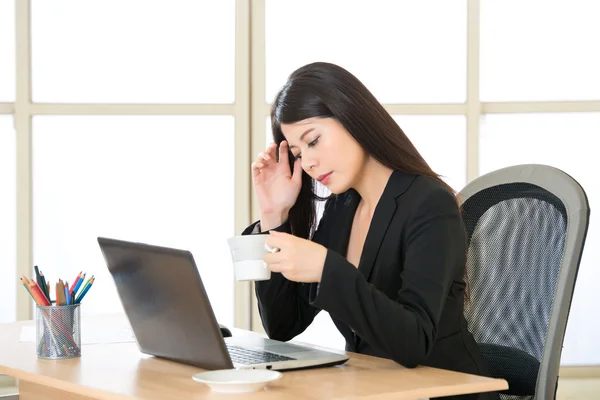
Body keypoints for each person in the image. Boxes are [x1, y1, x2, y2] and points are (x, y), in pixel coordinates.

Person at [242, 62, 497, 400]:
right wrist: (274, 215)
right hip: (375, 388)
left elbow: (414, 342)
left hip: (440, 390)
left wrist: (326, 269)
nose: (309, 163)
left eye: (314, 141)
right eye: (299, 154)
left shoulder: (429, 203)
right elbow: (283, 325)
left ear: (352, 116)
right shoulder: (342, 207)